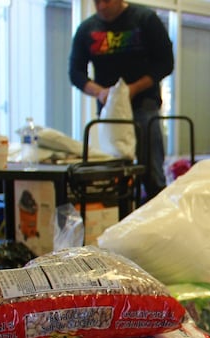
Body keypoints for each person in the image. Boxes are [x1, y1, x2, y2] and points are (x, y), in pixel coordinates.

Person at [69, 0, 174, 202]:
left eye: (106, 1)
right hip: (109, 112)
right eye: (96, 2)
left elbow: (165, 63)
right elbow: (75, 73)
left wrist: (132, 89)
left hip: (144, 106)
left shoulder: (144, 20)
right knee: (112, 175)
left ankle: (157, 221)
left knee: (151, 173)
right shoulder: (87, 29)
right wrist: (100, 92)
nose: (101, 6)